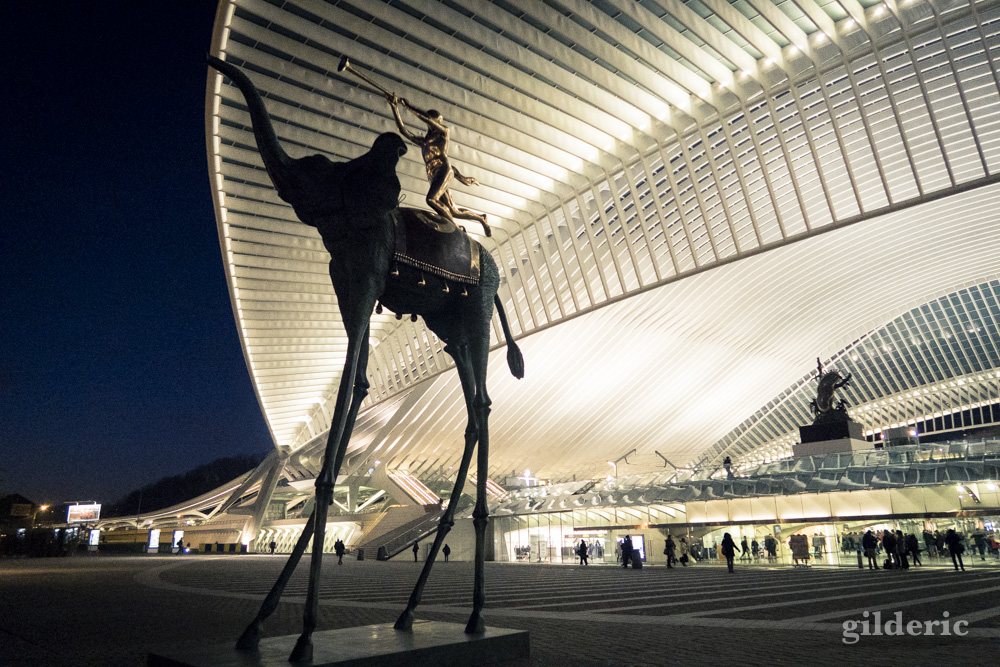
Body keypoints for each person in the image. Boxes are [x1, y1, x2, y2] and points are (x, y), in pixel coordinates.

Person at [386, 94, 490, 236]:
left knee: (431, 199)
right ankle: (480, 218)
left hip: (443, 169)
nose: (437, 124)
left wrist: (408, 106)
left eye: (437, 122)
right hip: (432, 174)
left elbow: (426, 119)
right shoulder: (425, 142)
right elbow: (403, 130)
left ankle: (456, 228)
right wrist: (394, 107)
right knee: (453, 210)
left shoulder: (444, 133)